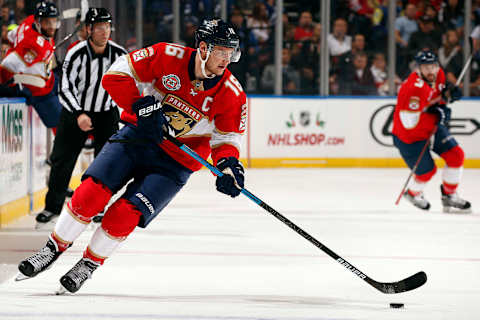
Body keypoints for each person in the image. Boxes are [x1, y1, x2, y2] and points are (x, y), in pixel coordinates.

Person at [16, 18, 247, 294]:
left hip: (176, 162)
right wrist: (143, 107)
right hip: (137, 138)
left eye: (230, 52)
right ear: (203, 47)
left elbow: (227, 139)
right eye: (221, 50)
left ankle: (88, 264)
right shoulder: (166, 55)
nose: (227, 58)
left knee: (125, 213)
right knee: (91, 192)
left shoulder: (232, 94)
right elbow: (116, 74)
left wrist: (229, 166)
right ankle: (53, 248)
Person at [35, 8, 127, 225]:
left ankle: (99, 207)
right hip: (76, 112)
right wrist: (79, 114)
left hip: (106, 113)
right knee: (62, 161)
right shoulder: (75, 53)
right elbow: (65, 87)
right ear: (88, 29)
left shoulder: (120, 54)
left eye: (107, 26)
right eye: (99, 27)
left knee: (107, 164)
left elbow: (129, 84)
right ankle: (53, 208)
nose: (104, 31)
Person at [392, 50, 471, 213]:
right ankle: (413, 193)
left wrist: (448, 93)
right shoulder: (412, 88)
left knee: (456, 156)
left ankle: (449, 196)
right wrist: (437, 112)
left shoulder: (439, 74)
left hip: (431, 128)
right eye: (426, 67)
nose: (431, 70)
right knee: (428, 171)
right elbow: (409, 123)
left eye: (433, 66)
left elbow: (439, 95)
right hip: (410, 137)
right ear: (418, 68)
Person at [0, 1, 61, 129]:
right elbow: (8, 64)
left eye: (54, 21)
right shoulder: (34, 47)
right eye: (47, 22)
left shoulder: (29, 21)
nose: (52, 26)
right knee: (62, 122)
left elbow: (12, 35)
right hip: (36, 91)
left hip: (40, 80)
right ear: (38, 22)